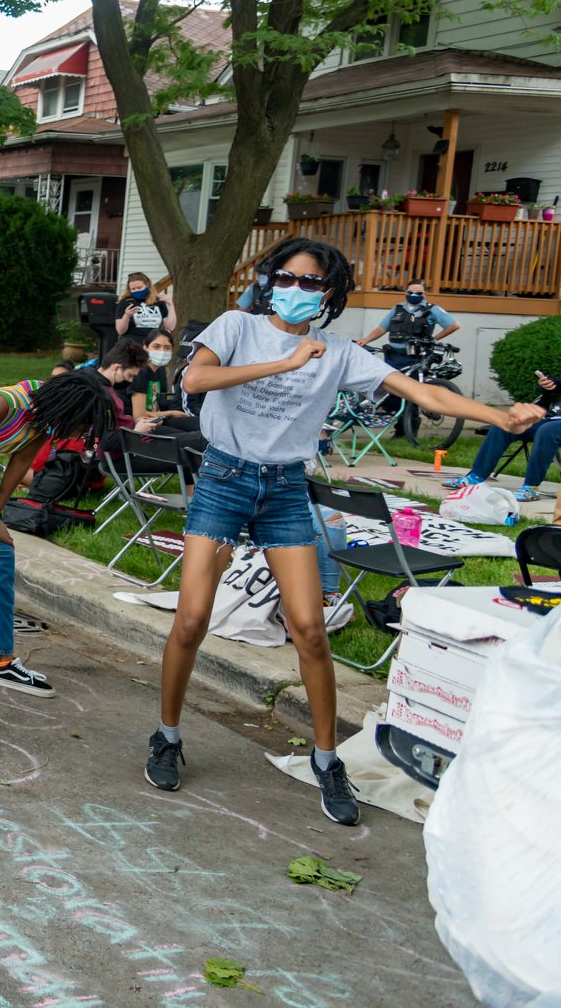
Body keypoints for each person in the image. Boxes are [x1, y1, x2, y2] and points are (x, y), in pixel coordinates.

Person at [149, 236, 543, 826]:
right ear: (269, 281)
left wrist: (498, 416)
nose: (295, 291)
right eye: (286, 278)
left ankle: (327, 758)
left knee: (309, 627)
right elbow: (198, 382)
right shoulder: (236, 326)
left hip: (284, 487)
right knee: (191, 618)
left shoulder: (339, 352)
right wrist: (284, 362)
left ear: (329, 292)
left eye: (310, 283)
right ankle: (167, 734)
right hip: (224, 479)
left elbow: (422, 391)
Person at [0, 371, 124, 696]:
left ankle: (1, 662)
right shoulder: (1, 406)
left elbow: (21, 458)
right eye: (82, 424)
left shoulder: (47, 416)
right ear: (68, 409)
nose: (82, 433)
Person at [444, 370, 561, 502]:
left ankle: (531, 487)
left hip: (553, 425)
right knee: (504, 425)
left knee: (547, 431)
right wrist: (549, 386)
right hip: (553, 417)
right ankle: (475, 478)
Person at [115, 272, 177, 345]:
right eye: (133, 289)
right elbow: (120, 331)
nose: (136, 290)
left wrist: (171, 305)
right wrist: (126, 316)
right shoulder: (125, 302)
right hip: (132, 344)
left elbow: (170, 327)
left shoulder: (158, 302)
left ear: (147, 285)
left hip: (153, 343)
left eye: (139, 288)